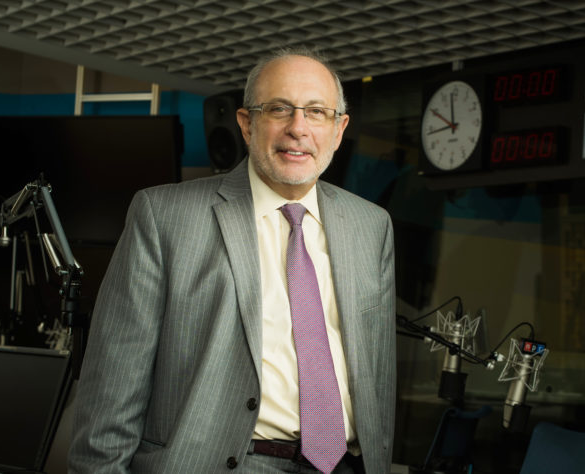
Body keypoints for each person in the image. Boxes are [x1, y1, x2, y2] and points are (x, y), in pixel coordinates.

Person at [68, 47, 396, 474]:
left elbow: (378, 376)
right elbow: (114, 381)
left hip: (345, 464)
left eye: (316, 112)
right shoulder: (164, 216)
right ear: (246, 123)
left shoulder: (371, 226)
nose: (298, 128)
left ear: (338, 129)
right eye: (279, 109)